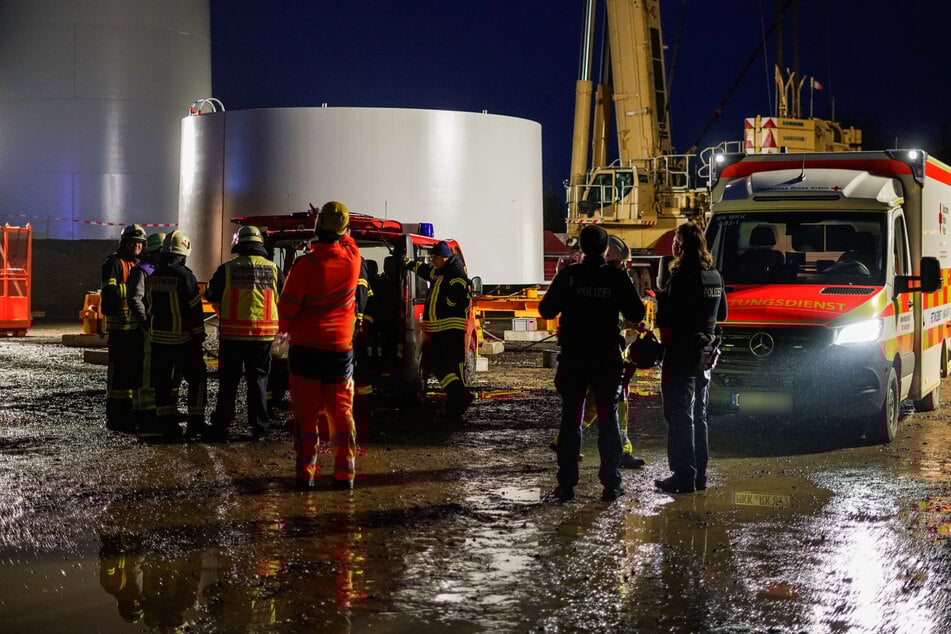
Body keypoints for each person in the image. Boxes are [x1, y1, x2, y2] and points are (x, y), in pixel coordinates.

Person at [539, 225, 645, 503]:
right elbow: (636, 311)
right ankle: (611, 485)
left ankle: (566, 485)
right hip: (607, 358)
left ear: (581, 249)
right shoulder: (616, 277)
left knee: (571, 418)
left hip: (574, 357)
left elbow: (546, 309)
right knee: (609, 420)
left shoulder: (569, 275)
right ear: (606, 249)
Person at [278, 201, 361, 491]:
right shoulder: (352, 260)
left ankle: (306, 474)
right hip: (339, 350)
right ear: (344, 231)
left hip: (305, 350)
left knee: (306, 415)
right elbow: (349, 239)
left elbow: (286, 310)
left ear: (317, 227)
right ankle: (344, 474)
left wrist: (286, 329)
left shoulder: (304, 266)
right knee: (341, 414)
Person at [654, 222, 727, 494]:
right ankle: (699, 476)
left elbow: (670, 317)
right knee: (699, 416)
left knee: (679, 415)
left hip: (681, 354)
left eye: (675, 239)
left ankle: (683, 475)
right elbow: (722, 315)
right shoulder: (715, 276)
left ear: (681, 245)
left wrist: (661, 298)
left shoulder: (682, 275)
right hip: (705, 355)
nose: (672, 244)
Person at [204, 225, 284, 442]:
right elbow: (282, 297)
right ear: (260, 245)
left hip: (232, 337)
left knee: (228, 382)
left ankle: (221, 425)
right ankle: (259, 426)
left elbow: (210, 294)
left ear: (238, 244)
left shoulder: (227, 269)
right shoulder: (274, 269)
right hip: (262, 337)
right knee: (258, 381)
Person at [402, 240, 474, 417]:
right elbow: (425, 271)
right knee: (447, 367)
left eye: (434, 258)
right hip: (442, 329)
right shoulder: (442, 271)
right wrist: (407, 262)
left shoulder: (455, 275)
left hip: (450, 330)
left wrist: (444, 306)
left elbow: (460, 299)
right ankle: (455, 405)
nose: (432, 261)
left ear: (443, 258)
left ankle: (461, 397)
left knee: (443, 366)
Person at [147, 230, 208, 440]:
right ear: (183, 253)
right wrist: (199, 335)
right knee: (198, 379)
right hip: (183, 340)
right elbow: (194, 310)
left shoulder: (153, 276)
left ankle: (167, 426)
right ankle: (196, 423)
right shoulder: (185, 277)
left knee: (162, 384)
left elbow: (148, 307)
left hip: (158, 340)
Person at [100, 224, 147, 431]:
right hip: (119, 329)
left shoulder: (141, 264)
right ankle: (116, 416)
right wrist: (134, 288)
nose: (136, 245)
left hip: (136, 329)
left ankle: (133, 414)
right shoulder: (114, 263)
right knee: (118, 374)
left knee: (136, 373)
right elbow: (109, 292)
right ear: (124, 243)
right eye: (132, 242)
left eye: (139, 242)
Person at [126, 231, 166, 430]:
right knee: (146, 370)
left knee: (155, 368)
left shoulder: (156, 269)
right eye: (161, 251)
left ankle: (154, 409)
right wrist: (145, 322)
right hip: (144, 328)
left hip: (154, 326)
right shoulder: (142, 270)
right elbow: (135, 298)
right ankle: (144, 412)